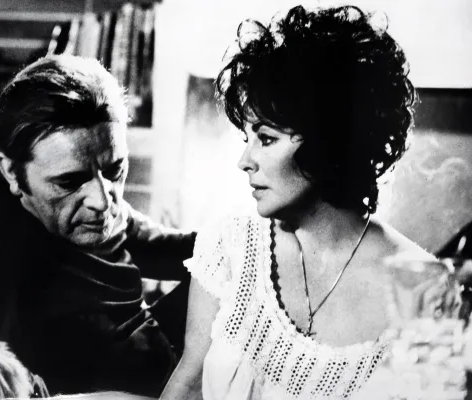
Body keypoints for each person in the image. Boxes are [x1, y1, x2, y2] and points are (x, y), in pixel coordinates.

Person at [160, 5, 432, 400]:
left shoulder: (423, 288)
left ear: (330, 140)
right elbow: (188, 384)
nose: (244, 161)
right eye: (247, 138)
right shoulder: (229, 246)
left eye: (266, 139)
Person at [0, 54, 195, 397]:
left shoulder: (101, 208)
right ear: (10, 171)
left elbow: (188, 252)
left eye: (114, 170)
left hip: (167, 371)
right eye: (69, 182)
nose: (102, 201)